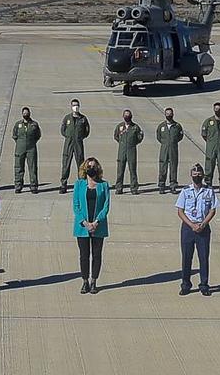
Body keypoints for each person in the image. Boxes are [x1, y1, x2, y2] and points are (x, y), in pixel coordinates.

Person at [175, 163, 218, 296]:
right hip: (188, 228)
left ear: (203, 175)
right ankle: (186, 285)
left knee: (203, 258)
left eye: (199, 174)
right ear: (191, 176)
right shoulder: (185, 191)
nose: (197, 177)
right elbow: (180, 211)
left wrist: (203, 224)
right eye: (195, 175)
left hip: (203, 227)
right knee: (187, 258)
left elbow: (212, 209)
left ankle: (204, 285)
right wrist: (191, 225)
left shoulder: (209, 191)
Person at [71, 157, 111, 294]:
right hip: (82, 227)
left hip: (98, 226)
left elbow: (106, 207)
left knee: (97, 255)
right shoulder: (78, 184)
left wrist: (96, 222)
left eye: (93, 166)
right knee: (84, 255)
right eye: (89, 166)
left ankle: (94, 281)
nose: (91, 169)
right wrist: (85, 222)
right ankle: (84, 281)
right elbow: (76, 206)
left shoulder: (104, 185)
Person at [59, 100, 90, 192]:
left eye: (76, 105)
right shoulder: (67, 118)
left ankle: (82, 184)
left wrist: (80, 137)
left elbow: (87, 131)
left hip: (78, 143)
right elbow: (63, 130)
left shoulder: (83, 118)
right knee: (66, 164)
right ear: (71, 106)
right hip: (68, 143)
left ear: (79, 106)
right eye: (73, 105)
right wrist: (68, 136)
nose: (75, 107)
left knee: (81, 164)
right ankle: (63, 185)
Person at [112, 108, 144, 194]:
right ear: (123, 116)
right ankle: (119, 188)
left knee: (132, 170)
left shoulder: (135, 127)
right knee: (120, 170)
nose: (127, 117)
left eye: (128, 115)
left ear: (131, 116)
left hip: (131, 150)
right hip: (122, 151)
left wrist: (132, 143)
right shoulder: (119, 126)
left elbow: (139, 138)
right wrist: (122, 143)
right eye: (125, 115)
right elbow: (116, 136)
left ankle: (134, 188)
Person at [11, 106, 41, 193]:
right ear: (22, 114)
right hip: (20, 148)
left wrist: (31, 142)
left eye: (27, 113)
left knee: (33, 167)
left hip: (31, 148)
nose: (25, 114)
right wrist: (21, 142)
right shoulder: (18, 124)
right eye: (24, 113)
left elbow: (38, 135)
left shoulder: (34, 124)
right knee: (18, 167)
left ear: (29, 113)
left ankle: (34, 186)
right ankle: (18, 186)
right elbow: (14, 135)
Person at [155, 106, 184, 193]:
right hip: (164, 149)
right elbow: (159, 137)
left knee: (173, 167)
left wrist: (173, 142)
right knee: (162, 167)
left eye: (170, 114)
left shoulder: (177, 126)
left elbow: (180, 136)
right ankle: (162, 185)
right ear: (165, 115)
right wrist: (165, 143)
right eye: (167, 114)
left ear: (173, 114)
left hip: (173, 149)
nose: (169, 115)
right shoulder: (161, 126)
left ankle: (173, 185)